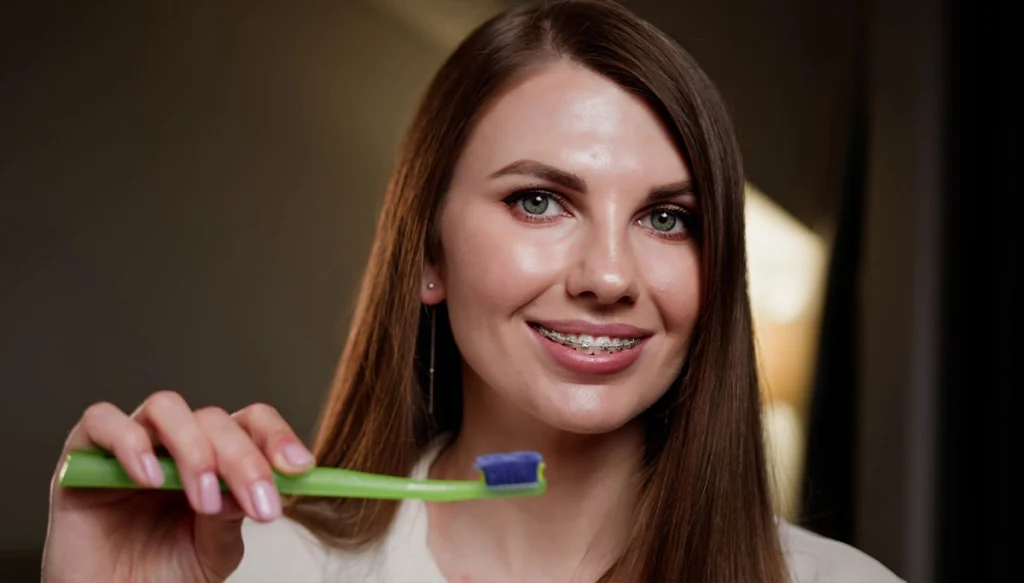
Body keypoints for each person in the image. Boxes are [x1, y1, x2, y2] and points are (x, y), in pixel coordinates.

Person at [41, 1, 904, 581]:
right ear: (429, 255)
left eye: (669, 218)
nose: (609, 276)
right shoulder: (254, 570)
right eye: (538, 200)